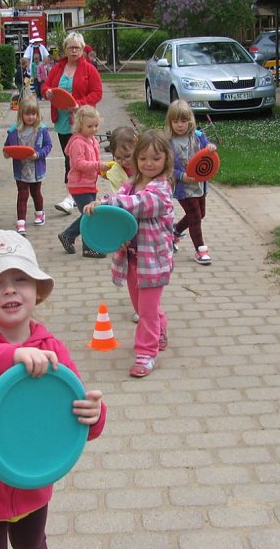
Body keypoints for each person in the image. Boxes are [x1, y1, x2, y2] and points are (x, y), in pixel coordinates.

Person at [0, 230, 107, 549]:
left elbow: (75, 409)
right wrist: (8, 356)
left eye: (20, 280)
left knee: (33, 546)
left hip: (31, 477)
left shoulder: (50, 347)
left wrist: (94, 416)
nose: (10, 289)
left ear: (37, 290)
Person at [83, 130, 174, 377]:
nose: (149, 163)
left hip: (153, 261)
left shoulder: (161, 190)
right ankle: (160, 329)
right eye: (143, 158)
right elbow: (118, 197)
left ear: (166, 159)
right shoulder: (131, 185)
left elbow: (137, 204)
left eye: (155, 158)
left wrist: (108, 204)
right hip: (132, 258)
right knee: (142, 306)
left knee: (145, 311)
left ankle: (146, 354)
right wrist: (100, 204)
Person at [42, 32, 103, 215]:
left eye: (77, 47)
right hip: (61, 120)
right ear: (65, 49)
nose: (74, 50)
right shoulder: (58, 68)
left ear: (83, 49)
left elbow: (97, 93)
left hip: (81, 121)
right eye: (70, 47)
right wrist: (48, 93)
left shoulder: (89, 69)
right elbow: (45, 87)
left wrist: (79, 104)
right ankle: (76, 194)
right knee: (69, 157)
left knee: (75, 158)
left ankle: (71, 197)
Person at [165, 100, 217, 265]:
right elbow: (166, 168)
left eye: (183, 120)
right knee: (195, 218)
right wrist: (181, 176)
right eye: (175, 121)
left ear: (190, 120)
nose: (180, 125)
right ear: (170, 122)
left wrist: (211, 147)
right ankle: (200, 250)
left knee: (200, 214)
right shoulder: (168, 143)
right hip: (183, 188)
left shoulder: (198, 136)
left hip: (199, 184)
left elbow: (208, 152)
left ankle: (175, 231)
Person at [56, 105, 110, 258]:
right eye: (89, 126)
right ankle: (87, 247)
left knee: (89, 214)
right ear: (80, 125)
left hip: (90, 184)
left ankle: (68, 236)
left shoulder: (92, 141)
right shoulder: (78, 143)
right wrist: (98, 165)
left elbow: (96, 161)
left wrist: (102, 172)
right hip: (79, 185)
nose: (94, 129)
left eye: (96, 125)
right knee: (90, 216)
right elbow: (79, 164)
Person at [4, 95, 53, 236]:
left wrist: (38, 155)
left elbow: (48, 145)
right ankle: (21, 223)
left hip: (36, 169)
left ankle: (40, 213)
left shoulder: (42, 130)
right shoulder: (14, 131)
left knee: (36, 193)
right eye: (27, 114)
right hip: (21, 169)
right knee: (22, 194)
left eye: (33, 114)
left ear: (37, 114)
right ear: (21, 115)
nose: (30, 117)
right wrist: (7, 153)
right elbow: (7, 148)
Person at [104, 125, 137, 193]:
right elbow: (118, 193)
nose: (124, 162)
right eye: (118, 158)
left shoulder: (144, 165)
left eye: (127, 156)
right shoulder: (116, 171)